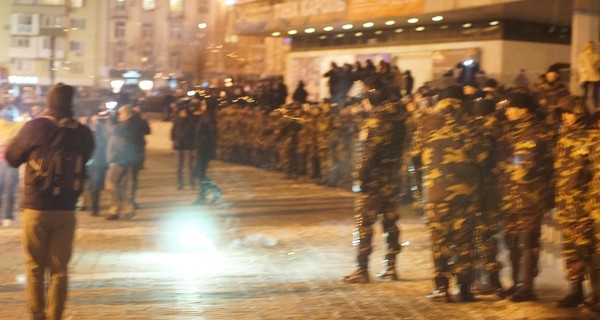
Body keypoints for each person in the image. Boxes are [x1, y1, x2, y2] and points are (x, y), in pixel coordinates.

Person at [5, 83, 94, 320]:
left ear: (49, 102)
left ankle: (38, 315)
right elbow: (89, 156)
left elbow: (13, 158)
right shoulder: (82, 132)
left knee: (35, 267)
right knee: (59, 270)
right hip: (66, 210)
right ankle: (56, 315)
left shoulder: (35, 127)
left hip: (36, 208)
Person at [410, 85, 487, 302]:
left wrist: (420, 190)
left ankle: (441, 288)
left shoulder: (426, 124)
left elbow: (414, 159)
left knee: (439, 241)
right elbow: (482, 157)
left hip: (434, 193)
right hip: (465, 194)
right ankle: (463, 289)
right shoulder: (471, 124)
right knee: (464, 242)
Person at [342, 77, 406, 284]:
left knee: (365, 224)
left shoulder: (378, 119)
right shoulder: (401, 117)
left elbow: (371, 152)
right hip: (393, 176)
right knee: (390, 222)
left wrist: (360, 175)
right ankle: (391, 266)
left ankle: (362, 269)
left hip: (375, 179)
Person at [496, 92, 553, 302]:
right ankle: (516, 283)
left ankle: (527, 286)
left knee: (528, 241)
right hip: (511, 197)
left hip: (530, 197)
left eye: (511, 108)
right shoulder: (513, 131)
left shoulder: (535, 133)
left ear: (523, 110)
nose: (507, 112)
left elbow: (522, 167)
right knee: (511, 241)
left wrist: (502, 166)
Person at [552, 95, 596, 308]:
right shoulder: (564, 138)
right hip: (566, 205)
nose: (566, 117)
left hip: (586, 205)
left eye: (570, 112)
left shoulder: (593, 137)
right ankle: (575, 291)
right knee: (571, 250)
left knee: (589, 250)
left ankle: (597, 294)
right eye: (563, 113)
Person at [105, 104, 139, 220]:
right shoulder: (126, 125)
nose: (118, 115)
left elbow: (112, 131)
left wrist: (110, 119)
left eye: (121, 113)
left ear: (127, 114)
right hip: (120, 159)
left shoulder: (127, 126)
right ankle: (126, 209)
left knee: (111, 185)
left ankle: (116, 210)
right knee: (117, 186)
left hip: (119, 160)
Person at [192, 97, 222, 205]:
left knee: (199, 173)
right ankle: (204, 195)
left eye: (203, 104)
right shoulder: (206, 116)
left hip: (204, 149)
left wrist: (201, 142)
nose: (201, 105)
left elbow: (210, 134)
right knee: (199, 173)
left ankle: (211, 192)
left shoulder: (208, 118)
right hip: (203, 148)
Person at [0, 110, 23, 226]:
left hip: (10, 164)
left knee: (8, 191)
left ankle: (6, 217)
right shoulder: (17, 126)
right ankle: (7, 217)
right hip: (11, 163)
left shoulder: (17, 126)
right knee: (9, 191)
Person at [128, 104, 151, 208]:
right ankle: (131, 200)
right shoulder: (140, 122)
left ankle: (128, 200)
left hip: (129, 153)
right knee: (133, 178)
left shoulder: (124, 123)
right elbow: (147, 131)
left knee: (127, 179)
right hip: (136, 152)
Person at [171, 99, 197, 190]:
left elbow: (194, 132)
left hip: (188, 145)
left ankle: (191, 183)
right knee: (179, 167)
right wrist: (174, 140)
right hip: (179, 145)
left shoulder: (191, 119)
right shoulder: (176, 119)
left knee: (190, 166)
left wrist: (194, 145)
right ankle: (180, 184)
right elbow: (173, 131)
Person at [577, 41, 600, 111]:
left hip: (595, 78)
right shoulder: (582, 55)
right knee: (589, 96)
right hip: (587, 79)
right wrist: (585, 70)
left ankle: (595, 110)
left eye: (592, 45)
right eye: (590, 45)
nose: (591, 47)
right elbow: (580, 66)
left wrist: (595, 65)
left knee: (595, 95)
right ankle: (592, 111)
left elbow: (598, 65)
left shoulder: (596, 55)